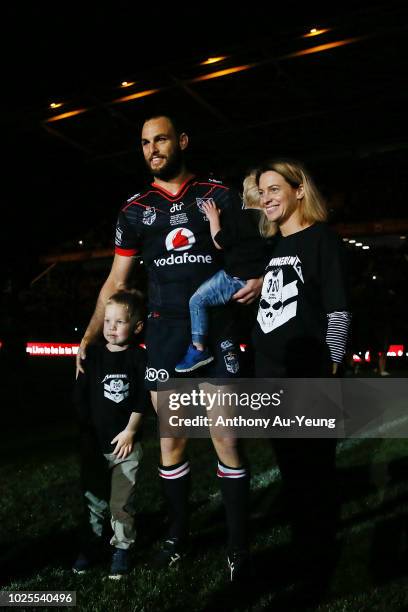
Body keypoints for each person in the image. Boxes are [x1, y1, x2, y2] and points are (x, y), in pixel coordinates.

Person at [76, 114, 262, 581]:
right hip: (164, 336)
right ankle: (178, 536)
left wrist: (258, 278)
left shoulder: (219, 194)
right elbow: (116, 280)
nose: (152, 148)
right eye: (144, 143)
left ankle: (238, 546)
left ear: (181, 141)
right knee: (172, 441)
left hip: (217, 330)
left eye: (160, 139)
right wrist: (89, 334)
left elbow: (250, 251)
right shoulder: (135, 210)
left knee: (226, 438)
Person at [252, 159, 351, 564]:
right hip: (272, 378)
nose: (266, 197)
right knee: (293, 474)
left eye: (275, 188)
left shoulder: (321, 239)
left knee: (314, 475)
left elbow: (338, 311)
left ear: (299, 191)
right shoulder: (276, 246)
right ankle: (305, 551)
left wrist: (331, 367)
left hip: (308, 377)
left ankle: (320, 557)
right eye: (262, 191)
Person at [73, 290, 149, 579]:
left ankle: (122, 548)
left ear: (137, 327)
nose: (111, 327)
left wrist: (131, 431)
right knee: (94, 502)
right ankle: (92, 545)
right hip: (95, 443)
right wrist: (84, 433)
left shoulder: (138, 357)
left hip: (125, 447)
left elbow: (144, 397)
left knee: (121, 503)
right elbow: (79, 397)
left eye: (119, 322)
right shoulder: (92, 355)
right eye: (107, 321)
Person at [175, 192, 266, 373]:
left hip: (234, 279)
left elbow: (219, 242)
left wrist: (213, 217)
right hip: (256, 281)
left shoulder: (242, 217)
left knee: (197, 300)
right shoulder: (270, 221)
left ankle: (198, 349)